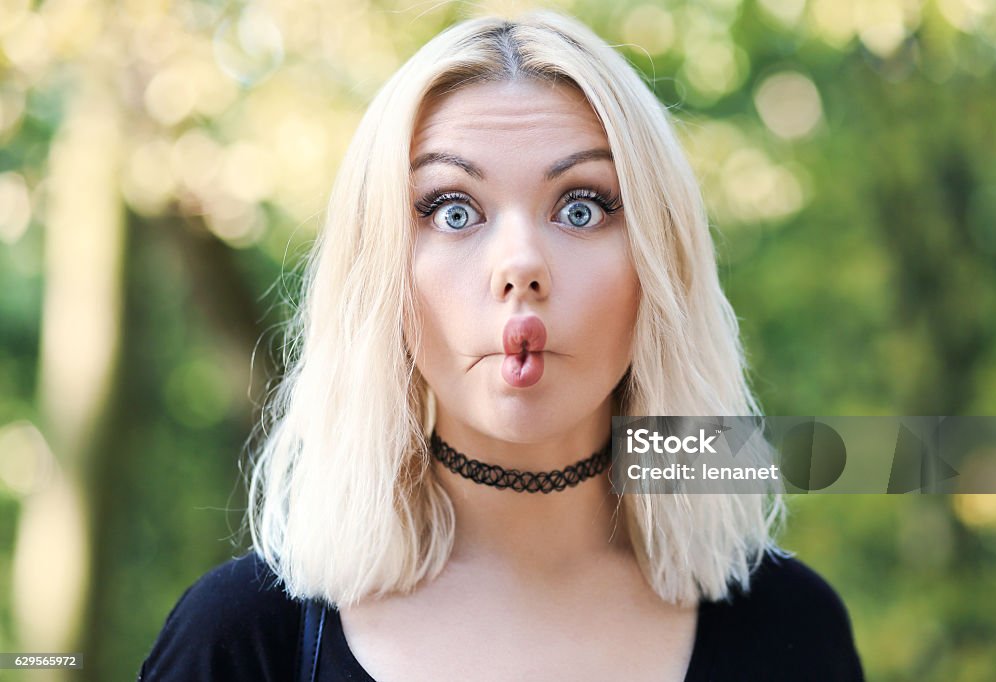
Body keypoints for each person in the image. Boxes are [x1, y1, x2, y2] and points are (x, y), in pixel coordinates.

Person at [139, 11, 864, 681]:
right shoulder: (241, 642)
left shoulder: (792, 632)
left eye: (582, 208)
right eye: (453, 210)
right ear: (380, 276)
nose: (520, 265)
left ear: (659, 267)